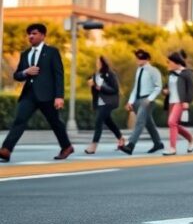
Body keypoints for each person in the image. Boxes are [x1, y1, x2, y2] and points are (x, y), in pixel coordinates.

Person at [0, 23, 73, 162]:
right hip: (29, 94)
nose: (31, 36)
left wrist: (59, 96)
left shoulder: (52, 52)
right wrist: (25, 72)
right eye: (29, 34)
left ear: (43, 35)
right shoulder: (25, 54)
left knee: (55, 122)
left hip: (48, 96)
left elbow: (59, 75)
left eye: (34, 33)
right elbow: (17, 75)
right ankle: (6, 150)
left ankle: (67, 147)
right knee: (19, 120)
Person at [118, 49, 164, 155]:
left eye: (141, 58)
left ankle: (130, 146)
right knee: (149, 123)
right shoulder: (139, 70)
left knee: (139, 122)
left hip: (147, 100)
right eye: (137, 58)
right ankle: (158, 143)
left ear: (147, 59)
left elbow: (158, 87)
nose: (138, 60)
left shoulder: (153, 70)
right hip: (137, 100)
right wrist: (130, 101)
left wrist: (150, 99)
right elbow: (136, 87)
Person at [85, 55, 124, 154]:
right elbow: (94, 88)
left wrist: (100, 87)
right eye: (97, 62)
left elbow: (115, 89)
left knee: (98, 122)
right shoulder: (95, 75)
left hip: (108, 102)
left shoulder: (110, 74)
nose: (97, 64)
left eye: (99, 62)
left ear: (103, 63)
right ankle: (121, 138)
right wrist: (91, 83)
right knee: (108, 122)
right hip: (100, 102)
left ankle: (93, 146)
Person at [163, 51, 193, 156]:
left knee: (172, 123)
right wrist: (165, 91)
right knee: (174, 124)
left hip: (180, 102)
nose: (168, 64)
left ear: (176, 63)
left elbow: (190, 89)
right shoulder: (170, 74)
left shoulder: (186, 73)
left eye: (170, 62)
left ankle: (172, 148)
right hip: (171, 102)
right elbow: (167, 87)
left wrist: (187, 101)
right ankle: (190, 138)